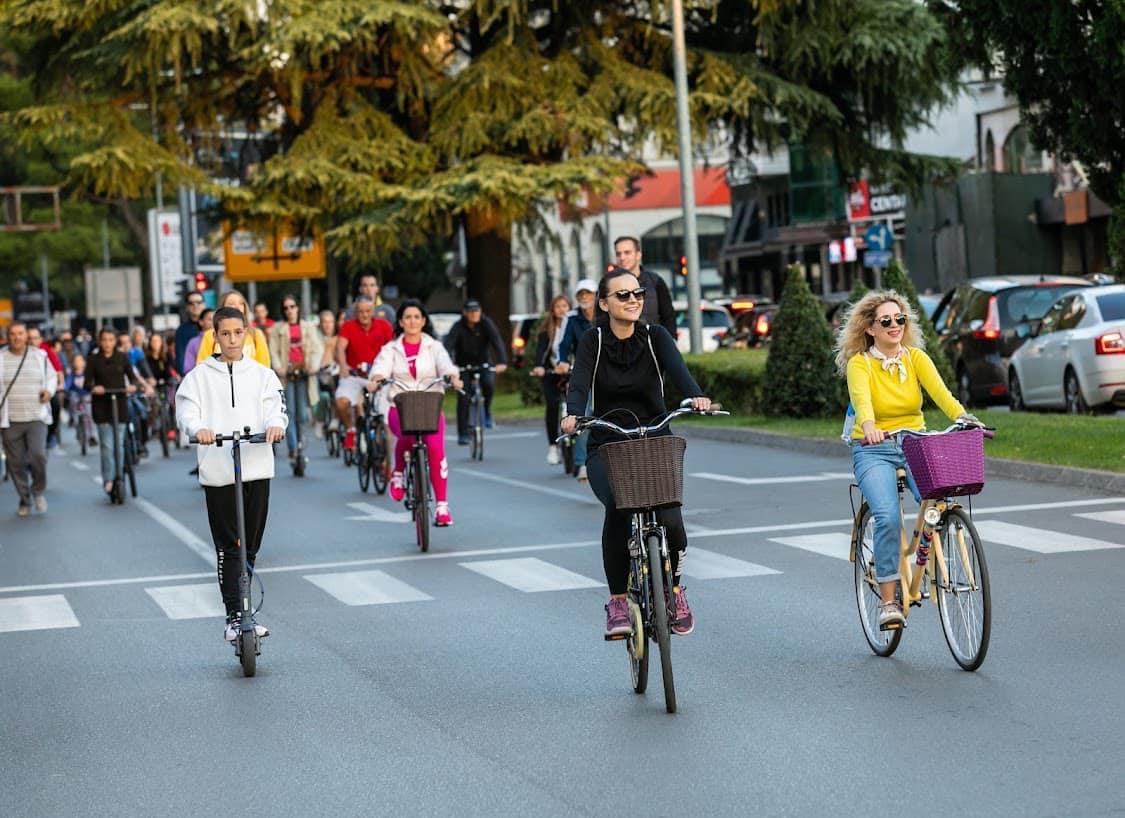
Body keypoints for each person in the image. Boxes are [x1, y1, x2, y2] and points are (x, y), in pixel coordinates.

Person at [561, 267, 711, 638]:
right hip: (608, 442)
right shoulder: (593, 341)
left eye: (638, 293)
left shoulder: (654, 336)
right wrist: (573, 414)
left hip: (654, 438)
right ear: (604, 303)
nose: (633, 300)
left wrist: (696, 396)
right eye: (623, 295)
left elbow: (679, 373)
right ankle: (616, 603)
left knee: (672, 519)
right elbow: (579, 383)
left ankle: (674, 592)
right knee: (619, 507)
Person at [835, 290, 974, 630]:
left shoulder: (915, 358)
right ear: (870, 328)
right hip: (874, 448)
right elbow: (862, 401)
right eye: (886, 321)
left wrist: (964, 417)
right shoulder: (860, 364)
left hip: (915, 442)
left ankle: (928, 558)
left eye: (900, 319)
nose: (895, 325)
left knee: (941, 500)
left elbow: (942, 394)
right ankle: (887, 601)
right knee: (886, 516)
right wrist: (868, 427)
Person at [176, 306, 287, 642]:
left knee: (250, 545)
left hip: (256, 466)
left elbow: (275, 406)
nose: (232, 339)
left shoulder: (262, 374)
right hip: (219, 469)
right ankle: (234, 616)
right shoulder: (198, 377)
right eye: (225, 333)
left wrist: (275, 425)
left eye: (238, 333)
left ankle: (245, 612)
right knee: (229, 547)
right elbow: (187, 410)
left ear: (247, 333)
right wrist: (199, 428)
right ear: (216, 336)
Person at [368, 299, 462, 526]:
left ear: (423, 321)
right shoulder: (391, 349)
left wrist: (453, 377)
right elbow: (380, 368)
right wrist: (377, 378)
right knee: (408, 435)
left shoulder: (434, 346)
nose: (412, 321)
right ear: (400, 322)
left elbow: (446, 366)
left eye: (416, 317)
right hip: (399, 405)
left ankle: (441, 506)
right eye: (407, 317)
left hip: (429, 404)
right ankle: (398, 473)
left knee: (436, 448)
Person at [0, 322, 56, 516]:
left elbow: (51, 377)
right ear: (8, 337)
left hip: (36, 417)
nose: (17, 337)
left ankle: (38, 491)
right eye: (13, 334)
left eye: (20, 334)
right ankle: (24, 500)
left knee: (38, 455)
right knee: (16, 464)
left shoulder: (39, 356)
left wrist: (49, 391)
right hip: (10, 420)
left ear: (26, 336)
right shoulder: (0, 358)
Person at [88, 327, 145, 495]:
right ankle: (109, 478)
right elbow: (86, 382)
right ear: (100, 341)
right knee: (106, 445)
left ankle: (119, 476)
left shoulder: (122, 357)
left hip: (119, 403)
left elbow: (133, 377)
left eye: (111, 340)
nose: (107, 343)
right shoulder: (93, 359)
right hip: (102, 406)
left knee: (118, 444)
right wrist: (94, 387)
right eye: (104, 340)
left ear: (115, 341)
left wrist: (132, 386)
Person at [335, 295, 394, 453]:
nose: (365, 315)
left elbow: (392, 348)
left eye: (368, 311)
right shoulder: (348, 326)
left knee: (385, 414)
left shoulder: (384, 326)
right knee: (341, 402)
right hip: (355, 375)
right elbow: (340, 348)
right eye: (361, 311)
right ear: (356, 311)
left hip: (379, 376)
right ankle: (350, 430)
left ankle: (384, 452)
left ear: (373, 310)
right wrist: (343, 365)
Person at [268, 295, 323, 464]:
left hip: (304, 373)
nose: (289, 310)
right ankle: (292, 447)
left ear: (297, 307)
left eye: (292, 306)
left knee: (302, 414)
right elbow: (274, 350)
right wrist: (279, 367)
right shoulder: (278, 328)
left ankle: (300, 444)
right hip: (287, 374)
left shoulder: (308, 327)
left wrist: (313, 365)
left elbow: (317, 348)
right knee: (289, 412)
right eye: (286, 308)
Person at [444, 299, 507, 445]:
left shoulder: (486, 323)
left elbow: (497, 341)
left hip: (483, 363)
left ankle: (487, 411)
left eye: (476, 311)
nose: (474, 314)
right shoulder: (458, 326)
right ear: (465, 313)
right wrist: (449, 366)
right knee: (463, 396)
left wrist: (502, 362)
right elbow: (448, 346)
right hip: (463, 365)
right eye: (471, 311)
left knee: (488, 384)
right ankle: (463, 434)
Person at [555, 278, 599, 481]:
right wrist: (562, 361)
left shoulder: (605, 314)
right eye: (581, 294)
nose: (585, 297)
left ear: (596, 296)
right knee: (584, 415)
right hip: (582, 372)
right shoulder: (571, 318)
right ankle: (582, 462)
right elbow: (563, 345)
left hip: (606, 371)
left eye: (588, 294)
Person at [531, 294, 571, 464]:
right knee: (553, 405)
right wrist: (539, 366)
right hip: (551, 373)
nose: (562, 309)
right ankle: (553, 448)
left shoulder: (575, 325)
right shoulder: (547, 330)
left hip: (572, 372)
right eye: (558, 306)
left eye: (565, 306)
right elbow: (540, 351)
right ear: (553, 311)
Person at [610, 236, 677, 336]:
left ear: (638, 255)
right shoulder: (609, 284)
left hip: (653, 344)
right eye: (618, 254)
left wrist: (668, 342)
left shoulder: (655, 282)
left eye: (627, 252)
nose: (622, 258)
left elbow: (668, 317)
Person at [195, 290, 271, 367]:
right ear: (222, 307)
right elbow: (202, 365)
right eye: (231, 304)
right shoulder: (210, 335)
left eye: (241, 303)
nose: (238, 307)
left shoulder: (256, 334)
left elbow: (264, 366)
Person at [27, 327, 65, 450]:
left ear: (40, 339)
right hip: (26, 392)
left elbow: (57, 370)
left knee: (55, 404)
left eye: (35, 338)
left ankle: (51, 433)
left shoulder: (45, 351)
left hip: (45, 389)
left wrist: (59, 386)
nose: (32, 342)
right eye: (29, 339)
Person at [314, 309, 339, 437]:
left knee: (338, 394)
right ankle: (320, 421)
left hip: (336, 373)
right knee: (323, 397)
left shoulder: (339, 338)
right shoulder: (315, 338)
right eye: (325, 322)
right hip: (319, 373)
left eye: (330, 322)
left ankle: (336, 418)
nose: (328, 325)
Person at [175, 291, 206, 373]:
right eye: (191, 303)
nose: (195, 305)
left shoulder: (215, 325)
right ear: (186, 307)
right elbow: (181, 357)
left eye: (199, 302)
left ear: (204, 305)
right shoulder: (181, 331)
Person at [182, 308, 213, 375]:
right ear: (201, 322)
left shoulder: (221, 340)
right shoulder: (193, 342)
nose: (213, 322)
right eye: (210, 319)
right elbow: (188, 368)